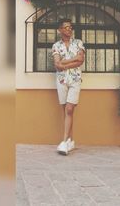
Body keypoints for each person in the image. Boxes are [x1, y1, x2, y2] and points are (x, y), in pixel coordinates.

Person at [52, 18, 85, 155]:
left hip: (75, 79)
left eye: (70, 27)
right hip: (61, 81)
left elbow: (80, 61)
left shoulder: (78, 43)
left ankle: (64, 141)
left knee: (70, 109)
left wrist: (65, 62)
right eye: (66, 27)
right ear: (60, 30)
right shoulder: (56, 46)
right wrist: (73, 60)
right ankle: (71, 140)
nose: (69, 29)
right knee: (66, 111)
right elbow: (57, 65)